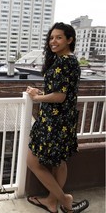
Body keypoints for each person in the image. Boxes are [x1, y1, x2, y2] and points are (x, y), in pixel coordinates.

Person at [26, 22, 89, 213]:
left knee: (33, 161)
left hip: (54, 121)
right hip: (63, 119)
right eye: (51, 38)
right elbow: (61, 91)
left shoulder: (64, 62)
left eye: (59, 37)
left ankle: (64, 199)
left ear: (69, 39)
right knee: (59, 162)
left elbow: (59, 96)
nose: (53, 41)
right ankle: (52, 202)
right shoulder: (70, 61)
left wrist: (37, 97)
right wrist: (42, 92)